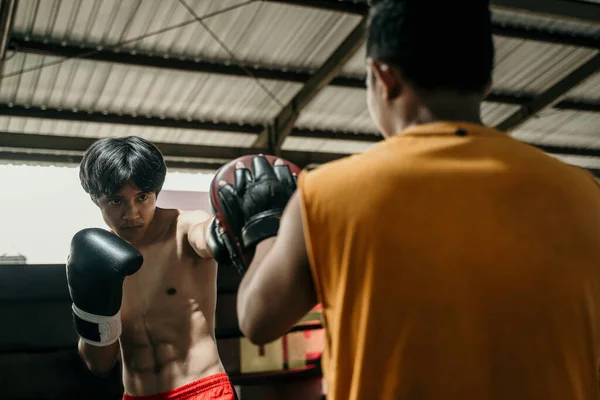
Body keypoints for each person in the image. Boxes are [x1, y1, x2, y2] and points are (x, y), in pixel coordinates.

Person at [211, 1, 600, 399]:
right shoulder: (585, 193)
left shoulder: (326, 194)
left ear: (383, 78)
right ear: (485, 83)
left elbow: (258, 319)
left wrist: (265, 228)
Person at [66, 136, 237, 400]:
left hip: (201, 390)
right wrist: (91, 311)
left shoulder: (185, 228)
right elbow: (97, 364)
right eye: (115, 201)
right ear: (95, 198)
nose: (131, 213)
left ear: (155, 192)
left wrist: (228, 227)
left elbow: (206, 237)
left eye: (142, 197)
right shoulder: (98, 259)